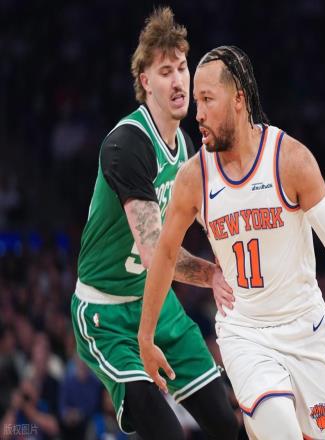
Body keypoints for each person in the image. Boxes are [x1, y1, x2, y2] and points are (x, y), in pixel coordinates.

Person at [139, 45, 325, 439]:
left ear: (238, 99)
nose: (198, 113)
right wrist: (145, 336)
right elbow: (165, 254)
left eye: (207, 99)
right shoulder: (194, 178)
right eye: (196, 101)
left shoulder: (290, 160)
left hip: (305, 327)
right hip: (245, 333)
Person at [70, 9, 238, 440]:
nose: (178, 81)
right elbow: (153, 251)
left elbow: (211, 218)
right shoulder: (127, 144)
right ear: (146, 82)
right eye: (166, 72)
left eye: (182, 67)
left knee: (226, 424)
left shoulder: (184, 145)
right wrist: (211, 274)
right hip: (106, 314)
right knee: (167, 433)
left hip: (156, 303)